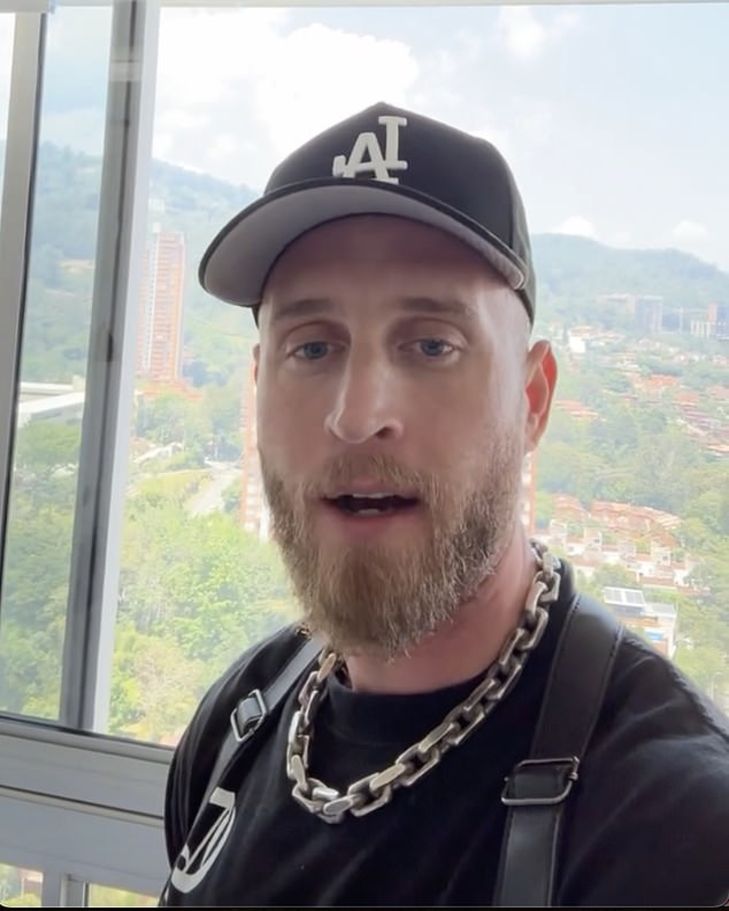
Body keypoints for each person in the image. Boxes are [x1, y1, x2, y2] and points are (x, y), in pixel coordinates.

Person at [159, 102, 729, 907]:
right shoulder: (235, 725)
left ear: (531, 400)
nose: (356, 415)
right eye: (311, 346)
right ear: (257, 387)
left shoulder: (671, 829)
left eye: (431, 344)